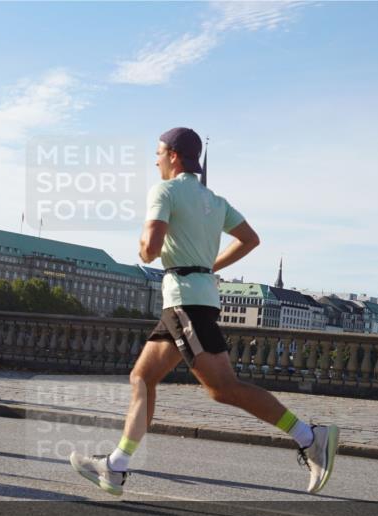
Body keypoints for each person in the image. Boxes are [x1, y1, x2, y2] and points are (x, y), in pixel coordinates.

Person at [69, 127, 340, 496]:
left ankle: (310, 436)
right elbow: (250, 240)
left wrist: (145, 251)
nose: (156, 159)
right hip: (192, 301)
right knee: (142, 379)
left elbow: (150, 248)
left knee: (224, 388)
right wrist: (211, 265)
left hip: (185, 302)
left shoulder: (164, 191)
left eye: (159, 152)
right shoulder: (215, 201)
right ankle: (115, 467)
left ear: (174, 155)